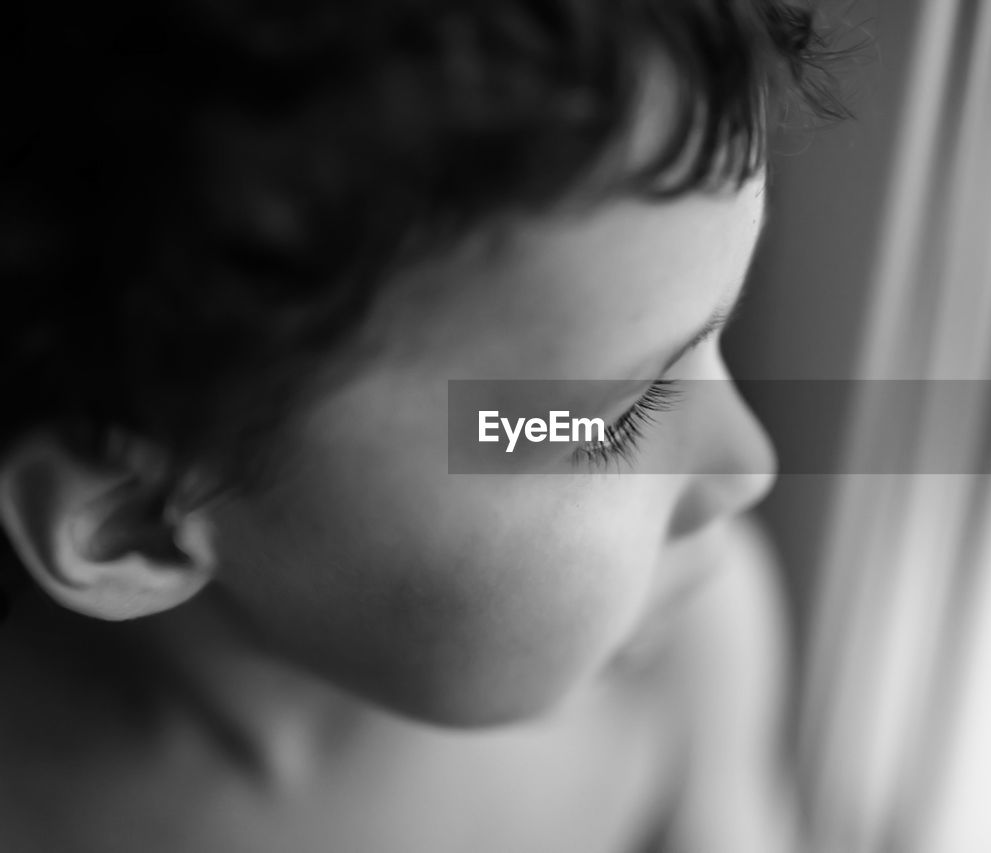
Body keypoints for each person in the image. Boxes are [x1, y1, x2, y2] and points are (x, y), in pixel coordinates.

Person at [0, 1, 849, 850]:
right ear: (133, 519)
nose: (751, 465)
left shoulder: (683, 656)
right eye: (612, 422)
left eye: (712, 337)